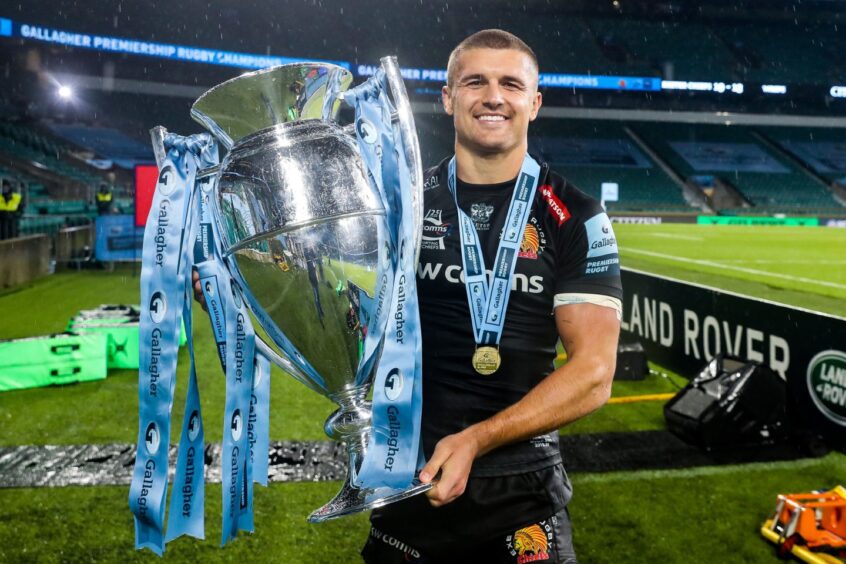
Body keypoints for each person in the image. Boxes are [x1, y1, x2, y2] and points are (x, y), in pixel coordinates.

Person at [360, 30, 622, 563]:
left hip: (522, 502)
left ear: (534, 102)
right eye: (475, 81)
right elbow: (358, 324)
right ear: (449, 97)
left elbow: (594, 373)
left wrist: (477, 439)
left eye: (510, 83)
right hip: (408, 490)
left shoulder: (576, 215)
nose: (494, 96)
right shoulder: (401, 208)